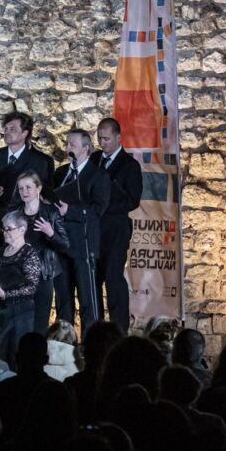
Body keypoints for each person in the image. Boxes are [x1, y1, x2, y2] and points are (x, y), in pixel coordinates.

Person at [52, 129, 110, 331]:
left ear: (86, 148)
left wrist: (71, 210)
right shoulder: (60, 174)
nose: (67, 148)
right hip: (59, 243)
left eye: (72, 145)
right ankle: (64, 344)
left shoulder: (98, 175)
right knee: (63, 299)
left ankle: (90, 347)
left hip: (83, 245)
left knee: (87, 300)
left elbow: (98, 209)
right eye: (66, 144)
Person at [91, 117, 144, 332]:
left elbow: (133, 200)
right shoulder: (93, 159)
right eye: (99, 138)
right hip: (93, 230)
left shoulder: (130, 165)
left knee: (113, 278)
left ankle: (118, 330)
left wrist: (104, 203)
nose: (102, 143)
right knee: (92, 280)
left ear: (117, 137)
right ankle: (95, 329)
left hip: (115, 230)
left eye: (106, 139)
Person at [10, 171, 69, 335]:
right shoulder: (15, 213)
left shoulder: (50, 212)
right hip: (19, 274)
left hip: (43, 274)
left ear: (38, 189)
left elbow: (64, 245)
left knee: (40, 324)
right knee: (19, 322)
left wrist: (50, 233)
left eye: (28, 187)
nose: (24, 192)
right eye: (21, 188)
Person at [0, 111, 53, 241]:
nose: (7, 132)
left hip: (26, 230)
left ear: (25, 133)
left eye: (12, 129)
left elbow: (47, 197)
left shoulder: (41, 161)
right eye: (6, 129)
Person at [0, 210, 42, 366]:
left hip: (19, 314)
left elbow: (31, 287)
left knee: (14, 356)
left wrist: (6, 295)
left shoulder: (30, 254)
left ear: (22, 229)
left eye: (9, 228)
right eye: (4, 229)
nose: (5, 232)